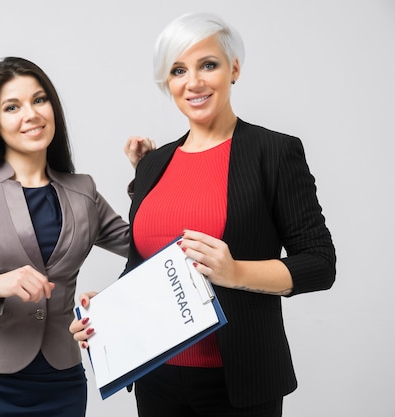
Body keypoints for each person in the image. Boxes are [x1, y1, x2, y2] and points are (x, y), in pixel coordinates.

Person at [70, 12, 336, 417]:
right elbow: (143, 265)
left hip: (240, 381)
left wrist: (236, 273)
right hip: (155, 377)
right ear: (168, 83)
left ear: (234, 69)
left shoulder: (274, 152)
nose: (193, 82)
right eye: (178, 70)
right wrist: (105, 309)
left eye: (207, 65)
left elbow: (320, 264)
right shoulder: (152, 164)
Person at [0, 57, 154, 417]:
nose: (31, 114)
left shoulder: (83, 191)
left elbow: (146, 246)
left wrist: (147, 177)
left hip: (61, 381)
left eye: (39, 100)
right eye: (13, 107)